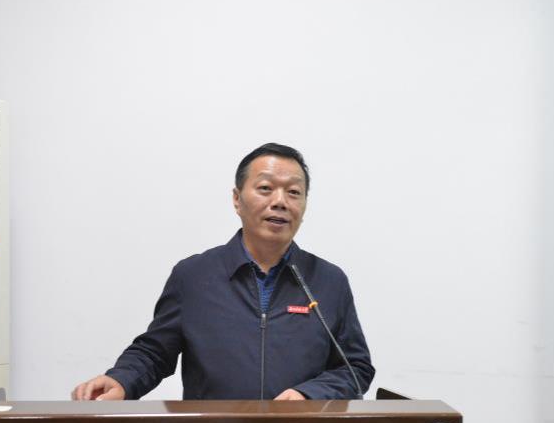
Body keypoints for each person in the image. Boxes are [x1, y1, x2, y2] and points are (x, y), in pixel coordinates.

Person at [71, 143, 374, 401]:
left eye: (294, 192)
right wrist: (122, 380)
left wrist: (309, 394)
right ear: (237, 199)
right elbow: (155, 352)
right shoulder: (193, 276)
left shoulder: (329, 281)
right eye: (265, 188)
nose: (280, 202)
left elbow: (355, 368)